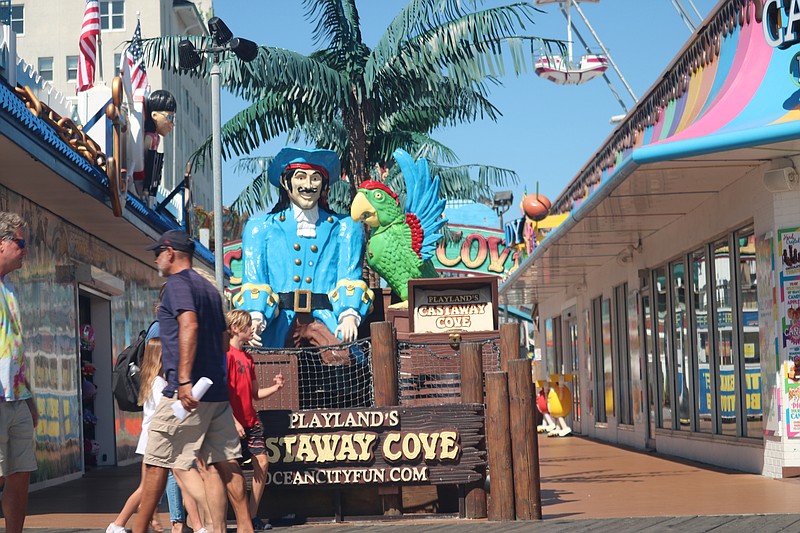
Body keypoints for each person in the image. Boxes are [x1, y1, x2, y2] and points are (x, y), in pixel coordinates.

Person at [133, 230, 253, 533]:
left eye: (158, 252)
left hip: (185, 393)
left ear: (171, 252)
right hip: (217, 393)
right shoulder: (211, 289)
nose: (156, 258)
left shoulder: (177, 284)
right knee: (222, 464)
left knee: (155, 462)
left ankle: (138, 529)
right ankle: (241, 527)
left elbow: (189, 324)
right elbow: (225, 341)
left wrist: (184, 380)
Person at [234, 147, 374, 355]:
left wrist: (349, 315)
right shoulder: (259, 228)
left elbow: (350, 276)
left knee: (343, 359)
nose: (308, 185)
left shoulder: (345, 227)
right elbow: (254, 280)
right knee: (268, 364)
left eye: (315, 178)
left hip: (326, 318)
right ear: (285, 182)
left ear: (323, 185)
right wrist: (256, 318)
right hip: (279, 322)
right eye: (300, 177)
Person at [226, 310, 285, 531]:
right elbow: (223, 393)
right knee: (229, 471)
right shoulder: (227, 356)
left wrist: (276, 387)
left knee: (262, 462)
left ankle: (251, 516)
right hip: (232, 424)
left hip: (251, 422)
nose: (252, 329)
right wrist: (233, 421)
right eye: (248, 325)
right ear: (235, 328)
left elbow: (255, 394)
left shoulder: (248, 358)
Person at [0, 212, 38, 533]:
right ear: (1, 245)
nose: (25, 250)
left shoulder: (10, 289)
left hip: (17, 397)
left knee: (20, 473)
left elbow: (15, 348)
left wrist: (30, 398)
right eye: (21, 243)